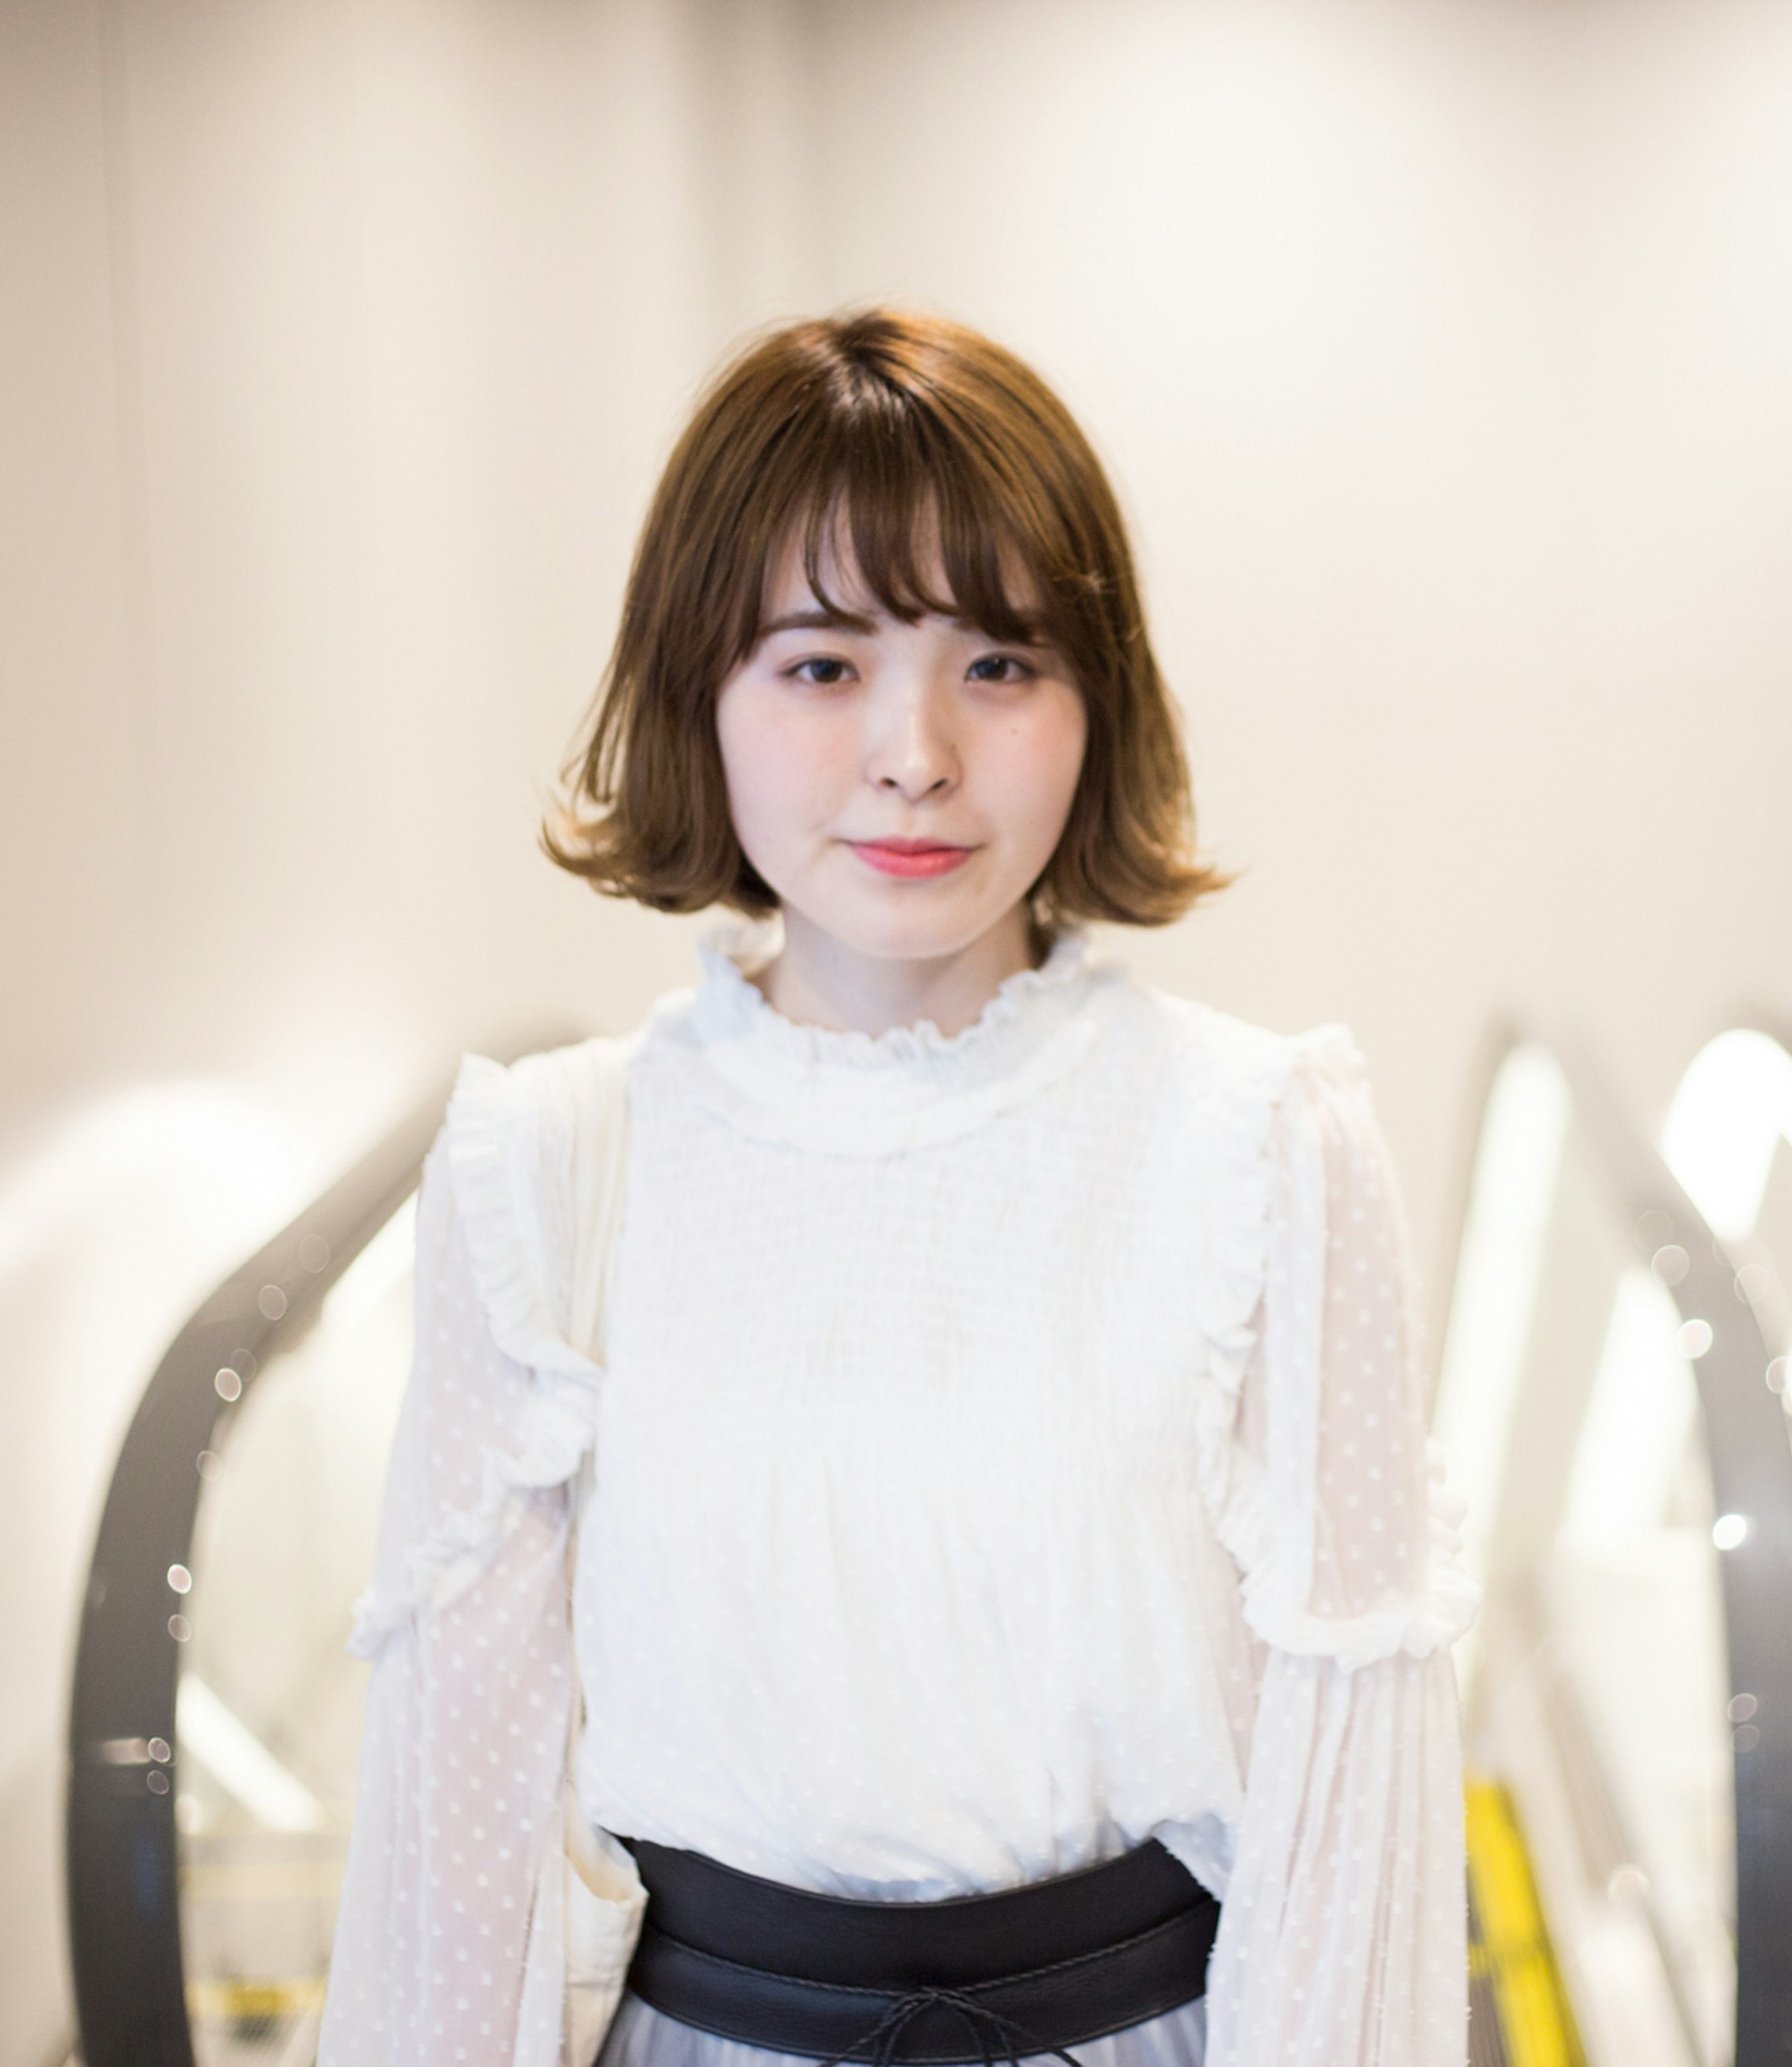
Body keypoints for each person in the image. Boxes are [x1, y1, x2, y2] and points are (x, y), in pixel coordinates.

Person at [317, 309, 1475, 2067]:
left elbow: (1352, 1788)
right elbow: (455, 1839)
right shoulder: (547, 1168)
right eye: (821, 662)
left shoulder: (1264, 1140)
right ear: (696, 693)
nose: (917, 751)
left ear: (1099, 700)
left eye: (1000, 663)